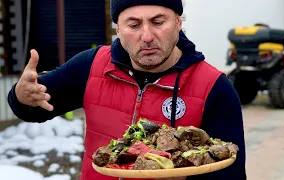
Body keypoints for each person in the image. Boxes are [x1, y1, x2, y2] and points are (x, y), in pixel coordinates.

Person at [7, 0, 246, 179]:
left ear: (179, 23)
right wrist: (21, 95)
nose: (147, 36)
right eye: (133, 24)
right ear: (118, 29)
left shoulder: (214, 87)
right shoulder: (90, 66)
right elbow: (33, 110)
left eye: (158, 22)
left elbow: (230, 173)